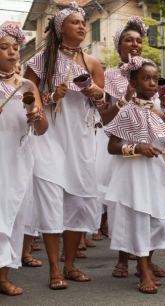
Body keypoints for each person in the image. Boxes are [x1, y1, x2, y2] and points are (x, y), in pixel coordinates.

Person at [24, 2, 105, 289]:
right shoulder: (40, 60)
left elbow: (105, 108)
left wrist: (96, 92)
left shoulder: (92, 63)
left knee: (78, 202)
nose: (82, 27)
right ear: (60, 29)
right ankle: (54, 269)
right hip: (49, 138)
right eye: (75, 22)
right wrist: (48, 97)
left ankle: (70, 265)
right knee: (49, 198)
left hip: (81, 141)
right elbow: (28, 96)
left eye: (84, 23)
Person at [104, 57, 165, 294]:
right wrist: (136, 148)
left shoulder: (158, 113)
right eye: (146, 78)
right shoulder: (126, 112)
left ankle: (147, 261)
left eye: (155, 78)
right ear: (133, 81)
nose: (153, 83)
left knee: (157, 219)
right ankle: (143, 270)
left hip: (157, 173)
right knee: (140, 219)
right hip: (134, 174)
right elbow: (112, 147)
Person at [0, 23, 48, 295]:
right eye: (4, 47)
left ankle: (3, 274)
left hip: (18, 159)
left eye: (15, 48)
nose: (12, 52)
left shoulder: (27, 85)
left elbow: (41, 130)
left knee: (14, 214)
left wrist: (37, 116)